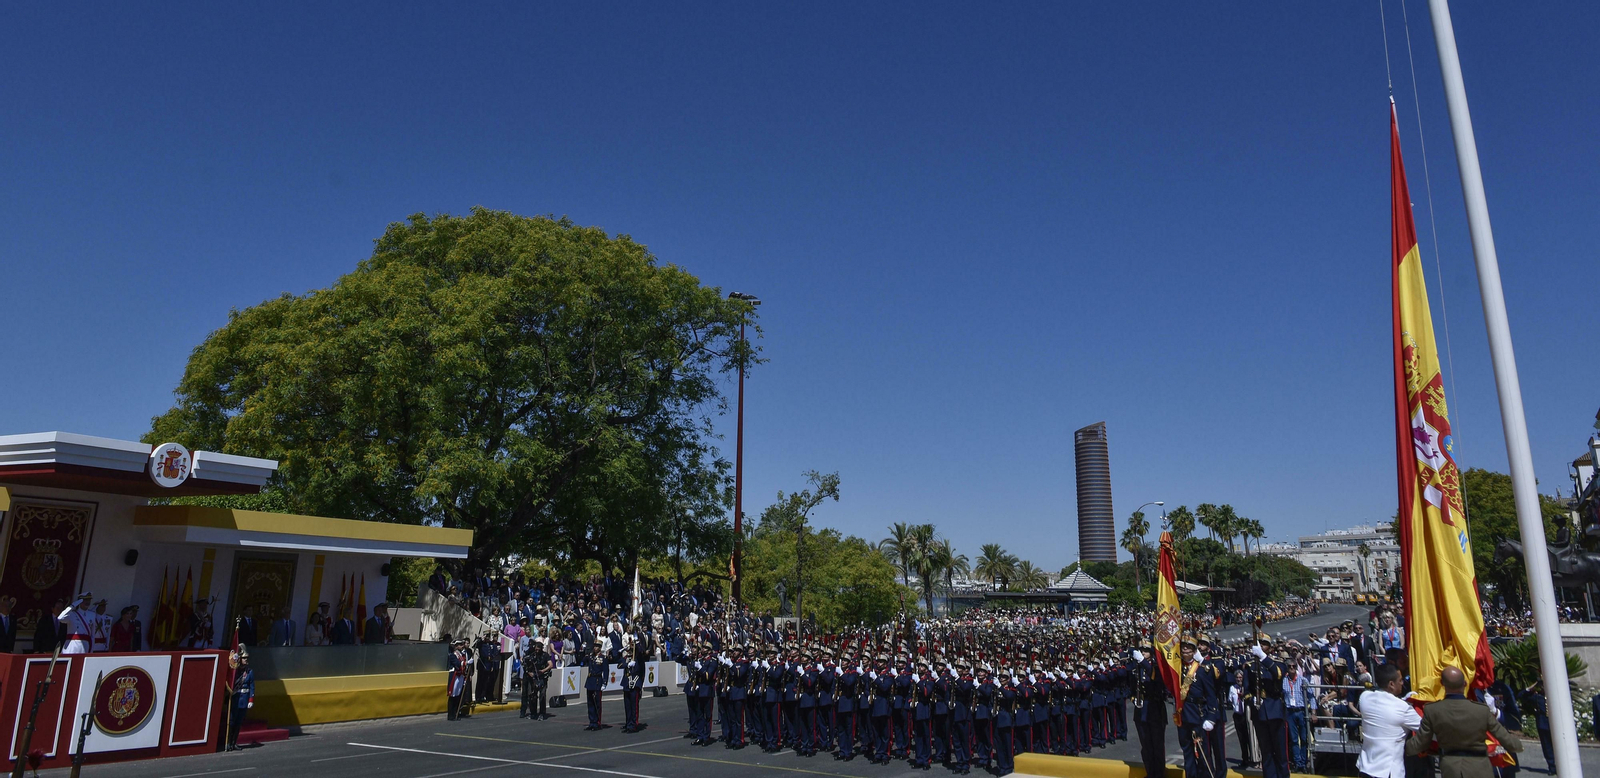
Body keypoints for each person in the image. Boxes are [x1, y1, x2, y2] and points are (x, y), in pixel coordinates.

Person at [1406, 666, 1521, 778]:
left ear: (1442, 684)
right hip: (1479, 767)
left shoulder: (1432, 710)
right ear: (1465, 683)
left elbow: (1421, 742)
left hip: (1451, 768)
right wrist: (1517, 745)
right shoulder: (1481, 710)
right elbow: (1504, 737)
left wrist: (1404, 748)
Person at [1356, 663, 1421, 778]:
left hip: (1365, 769)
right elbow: (1425, 728)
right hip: (1388, 772)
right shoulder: (1403, 708)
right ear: (1391, 684)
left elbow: (1386, 708)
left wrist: (1404, 700)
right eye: (1400, 680)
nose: (1402, 683)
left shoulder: (1364, 698)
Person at [226, 649, 255, 751]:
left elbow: (252, 686)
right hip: (236, 698)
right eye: (244, 658)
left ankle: (234, 743)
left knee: (239, 723)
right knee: (232, 722)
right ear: (240, 659)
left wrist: (251, 700)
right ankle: (228, 743)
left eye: (247, 658)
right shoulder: (236, 671)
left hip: (244, 699)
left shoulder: (249, 672)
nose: (246, 660)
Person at [584, 643, 608, 730]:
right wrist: (585, 652)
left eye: (597, 646)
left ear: (600, 648)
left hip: (598, 680)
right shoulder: (590, 657)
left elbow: (606, 671)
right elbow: (583, 662)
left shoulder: (603, 658)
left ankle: (597, 722)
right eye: (594, 646)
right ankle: (592, 722)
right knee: (590, 702)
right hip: (590, 680)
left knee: (597, 703)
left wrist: (605, 682)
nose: (595, 648)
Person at [447, 638, 471, 721]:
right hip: (455, 676)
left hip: (460, 676)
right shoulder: (453, 655)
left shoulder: (461, 655)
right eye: (460, 645)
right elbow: (457, 664)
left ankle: (456, 712)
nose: (462, 646)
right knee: (453, 695)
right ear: (456, 646)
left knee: (458, 695)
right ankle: (451, 715)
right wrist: (466, 663)